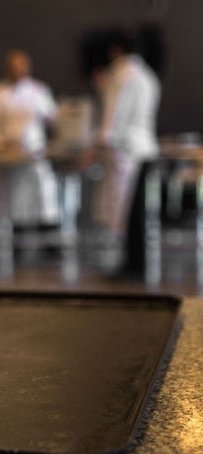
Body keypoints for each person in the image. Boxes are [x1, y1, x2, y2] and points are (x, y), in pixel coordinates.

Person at [82, 31, 160, 275]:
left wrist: (97, 146)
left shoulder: (121, 75)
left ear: (115, 51)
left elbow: (113, 116)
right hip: (145, 147)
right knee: (136, 212)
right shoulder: (148, 75)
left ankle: (131, 265)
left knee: (124, 212)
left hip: (124, 149)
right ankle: (136, 263)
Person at [0, 49, 59, 230]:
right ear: (7, 69)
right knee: (11, 205)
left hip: (34, 155)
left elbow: (54, 121)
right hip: (7, 158)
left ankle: (48, 239)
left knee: (42, 198)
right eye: (14, 67)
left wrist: (51, 144)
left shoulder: (39, 91)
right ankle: (13, 239)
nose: (19, 71)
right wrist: (0, 145)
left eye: (22, 66)